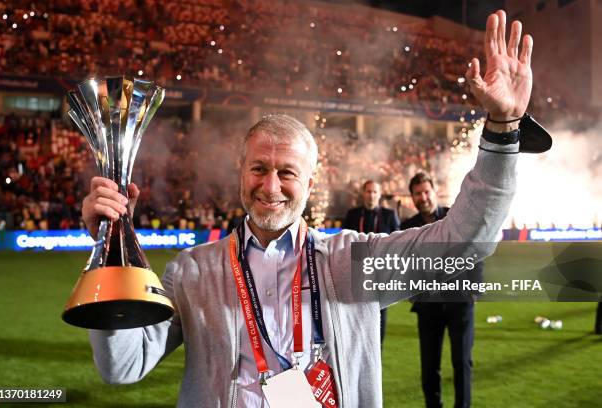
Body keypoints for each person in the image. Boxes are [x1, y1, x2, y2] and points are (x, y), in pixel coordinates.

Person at [83, 11, 532, 407]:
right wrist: (110, 248)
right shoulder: (192, 273)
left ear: (311, 183)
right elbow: (123, 366)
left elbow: (462, 243)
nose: (270, 185)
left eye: (288, 173)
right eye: (259, 168)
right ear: (240, 172)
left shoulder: (352, 262)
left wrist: (503, 130)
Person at [401, 172, 483, 408]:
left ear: (434, 191)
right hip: (428, 307)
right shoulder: (407, 227)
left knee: (462, 362)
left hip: (460, 303)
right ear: (412, 198)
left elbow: (475, 248)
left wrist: (475, 288)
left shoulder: (454, 216)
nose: (423, 197)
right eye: (418, 193)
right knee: (429, 366)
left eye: (426, 191)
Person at [343, 180, 400, 346]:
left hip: (379, 276)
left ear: (380, 194)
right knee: (354, 322)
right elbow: (344, 242)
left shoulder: (389, 215)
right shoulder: (353, 215)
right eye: (368, 191)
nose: (371, 195)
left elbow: (396, 244)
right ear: (363, 193)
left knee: (378, 323)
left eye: (375, 192)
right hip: (356, 274)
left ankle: (377, 358)